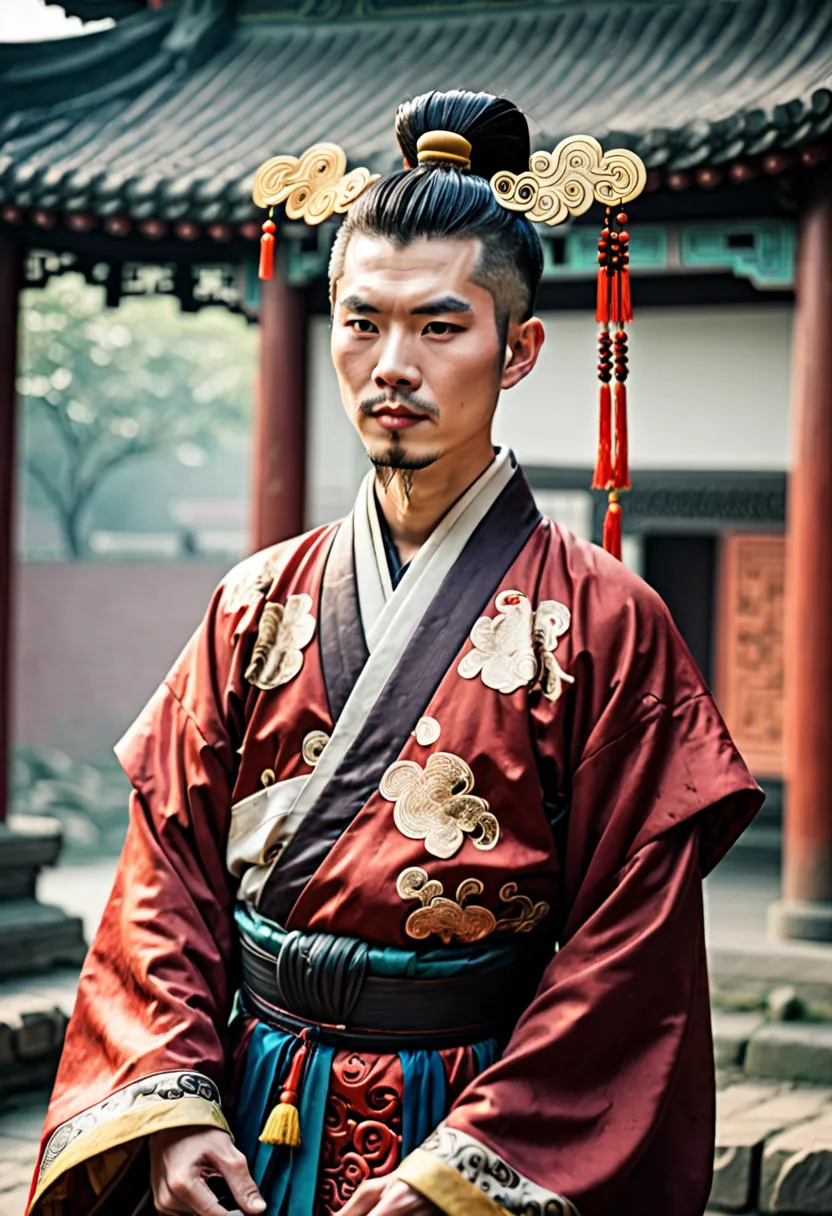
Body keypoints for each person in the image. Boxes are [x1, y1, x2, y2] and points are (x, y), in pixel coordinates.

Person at [28, 90, 762, 1216]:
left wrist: (457, 1177)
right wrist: (171, 1112)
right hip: (242, 1116)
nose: (391, 366)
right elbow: (158, 879)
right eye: (361, 322)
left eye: (438, 325)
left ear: (517, 350)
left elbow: (629, 952)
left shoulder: (610, 622)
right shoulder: (254, 602)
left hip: (475, 1114)